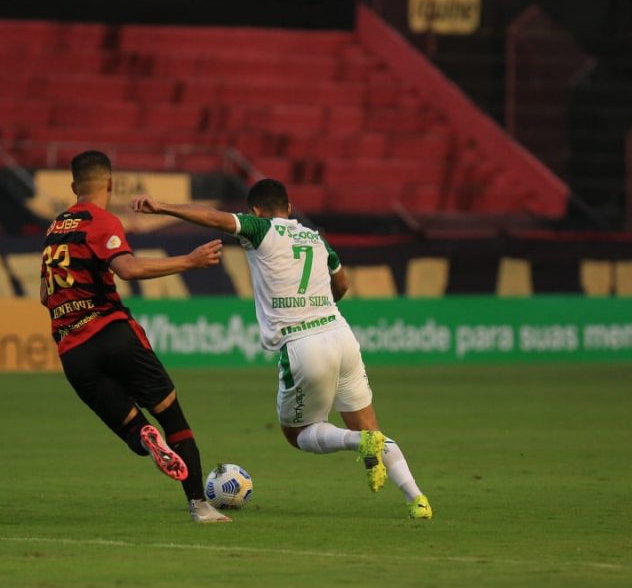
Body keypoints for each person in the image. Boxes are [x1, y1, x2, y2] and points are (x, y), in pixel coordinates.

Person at [132, 178, 433, 520]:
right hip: (340, 334)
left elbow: (215, 218)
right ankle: (417, 498)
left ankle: (356, 442)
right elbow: (343, 283)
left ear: (255, 211)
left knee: (298, 433)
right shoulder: (315, 237)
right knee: (371, 427)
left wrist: (163, 206)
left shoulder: (260, 229)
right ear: (289, 208)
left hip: (302, 343)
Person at [44, 150, 229, 523]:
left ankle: (144, 435)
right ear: (109, 184)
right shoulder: (102, 221)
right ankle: (199, 506)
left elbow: (44, 296)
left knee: (132, 426)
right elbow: (126, 269)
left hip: (72, 352)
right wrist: (189, 262)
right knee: (172, 418)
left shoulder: (54, 231)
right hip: (112, 334)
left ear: (72, 186)